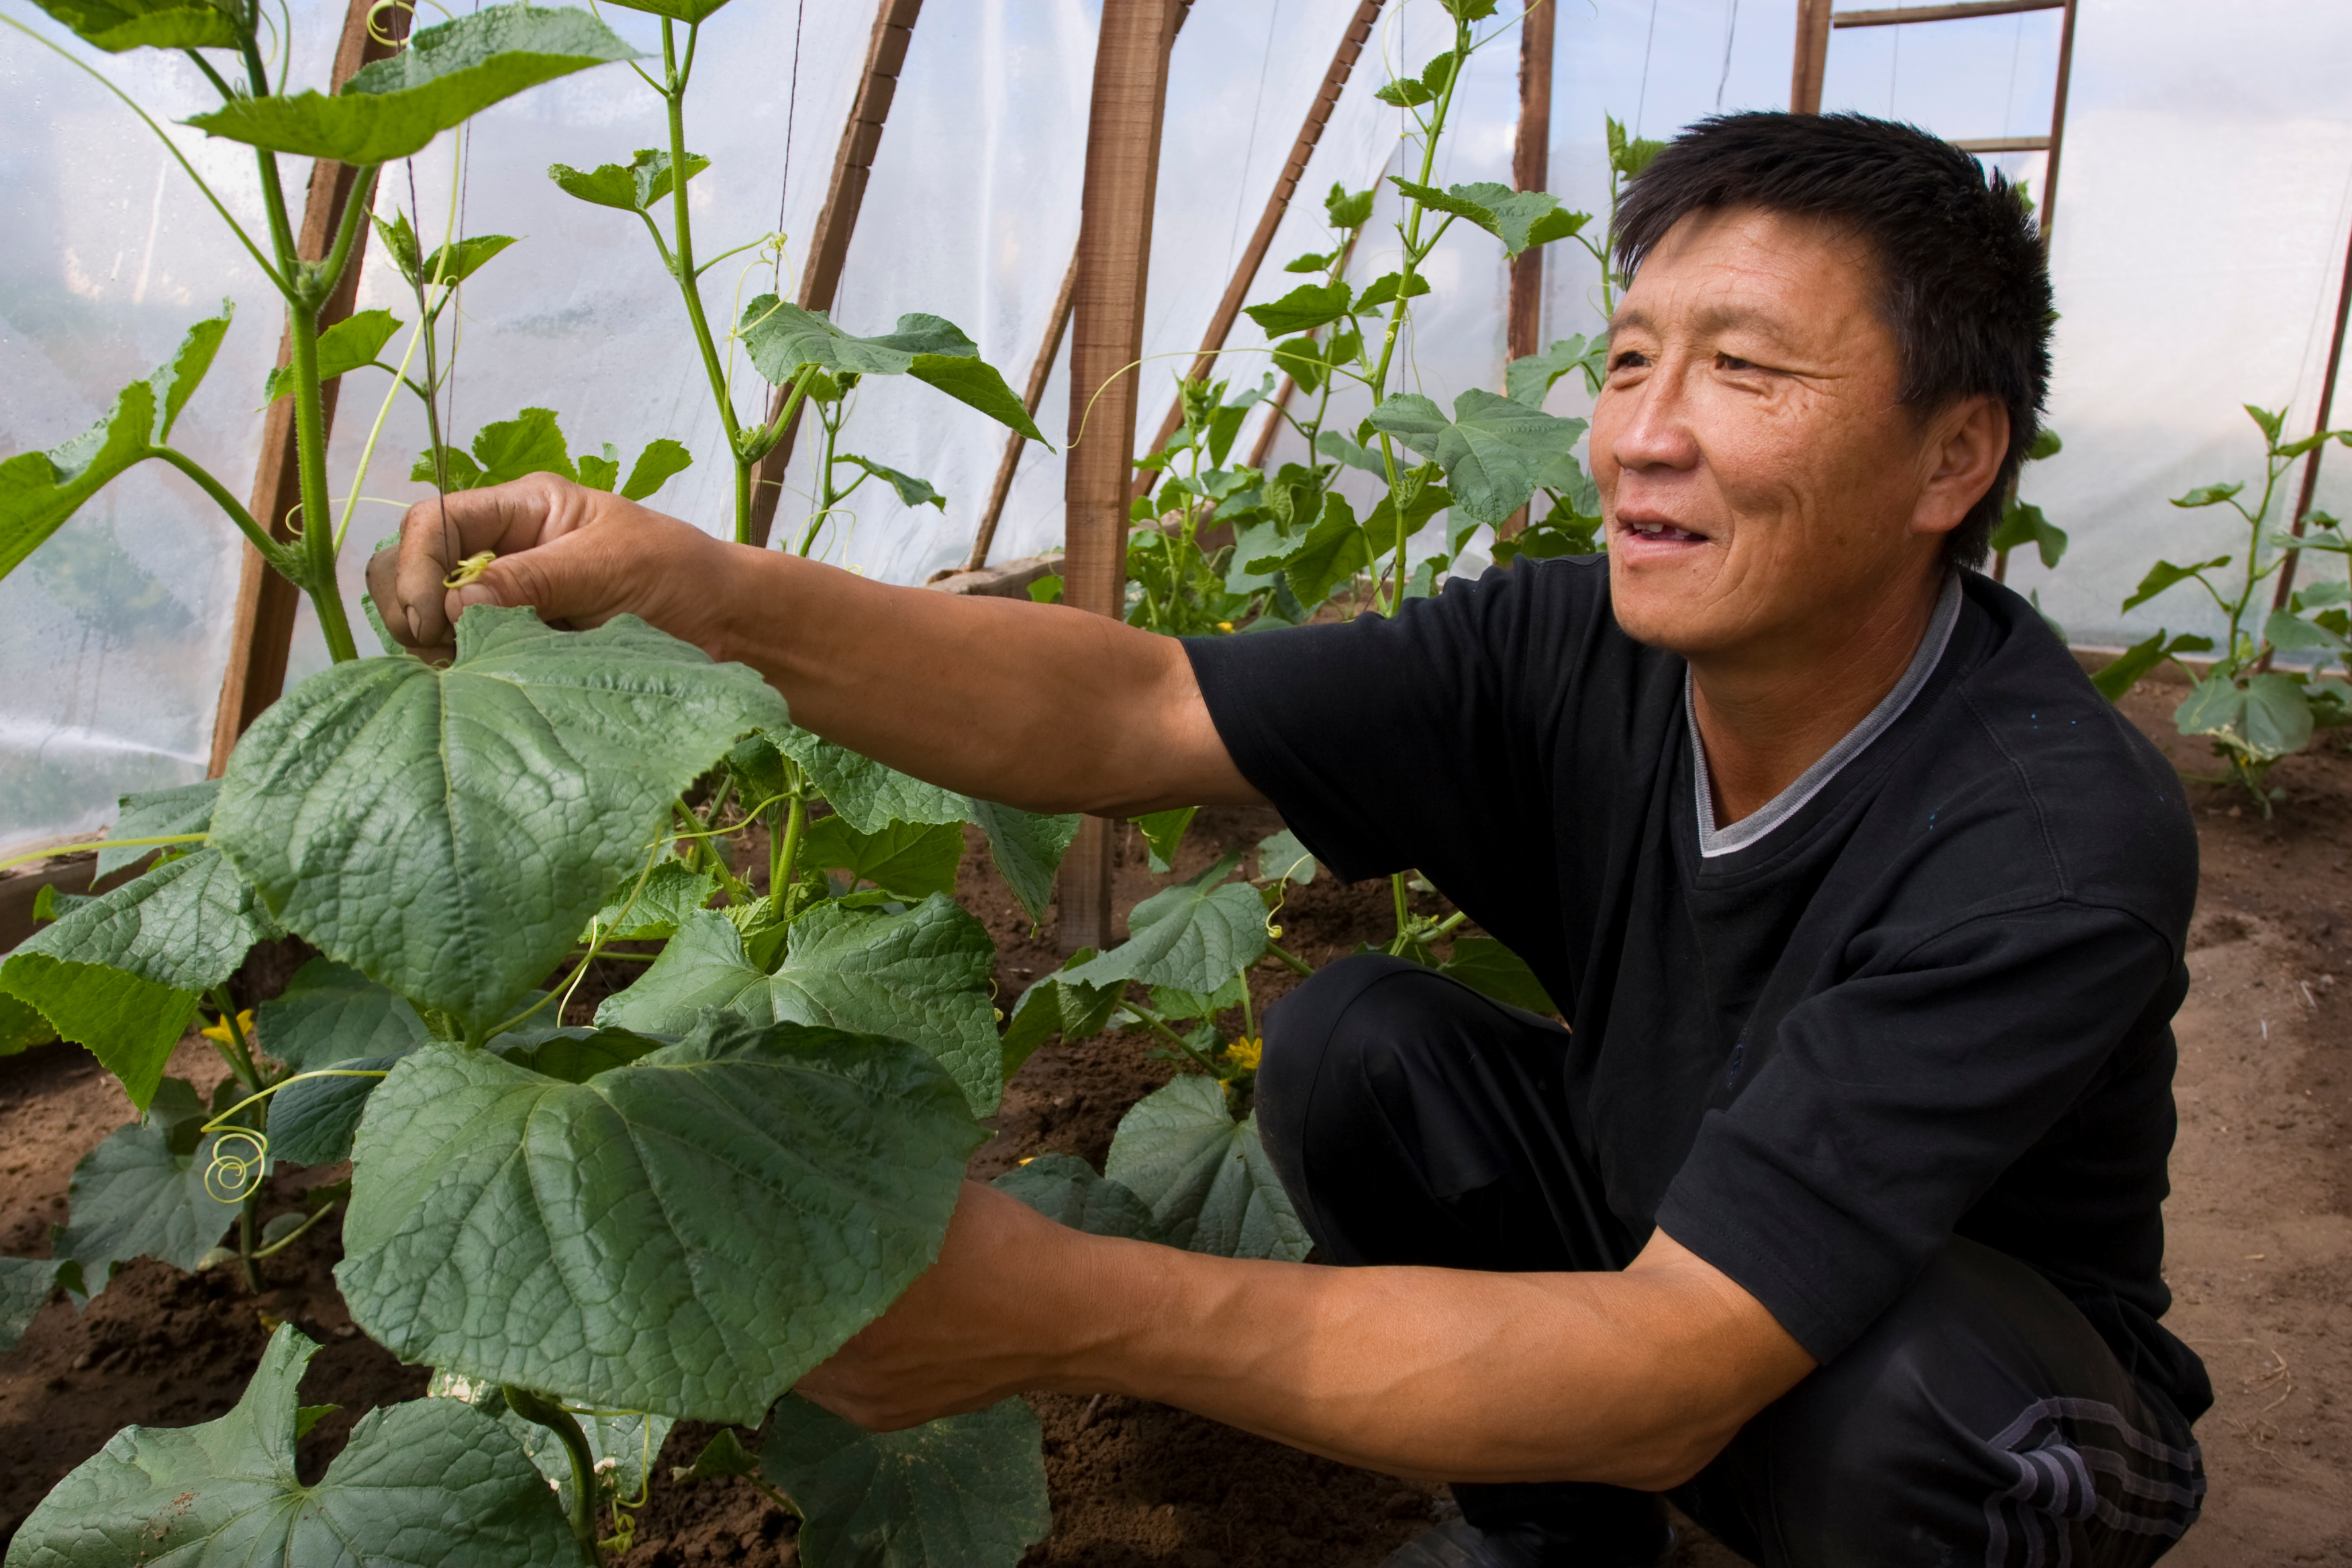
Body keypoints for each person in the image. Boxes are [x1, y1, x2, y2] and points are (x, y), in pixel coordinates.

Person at [369, 113, 2208, 1567]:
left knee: (1929, 1438)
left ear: (1951, 463)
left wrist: (1069, 1312)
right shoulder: (1569, 647)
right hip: (1682, 1234)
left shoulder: (2042, 839)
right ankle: (1554, 1542)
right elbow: (1128, 710)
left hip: (1977, 1386)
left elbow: (1664, 1379)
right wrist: (705, 588)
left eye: (1743, 373)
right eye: (1631, 357)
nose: (1642, 437)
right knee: (1353, 1049)